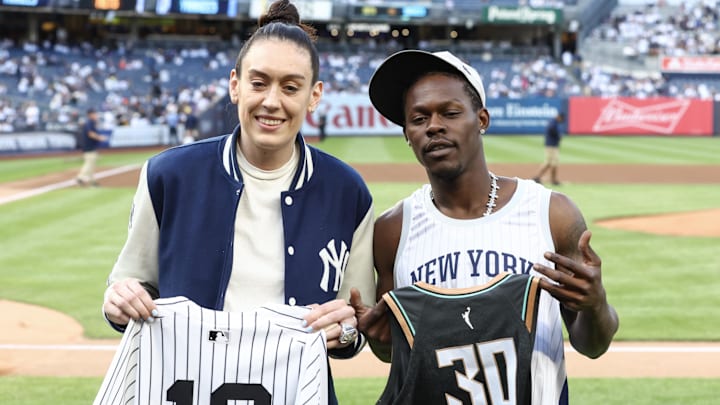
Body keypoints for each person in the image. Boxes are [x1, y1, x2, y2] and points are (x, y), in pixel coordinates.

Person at [101, 1, 376, 403]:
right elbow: (128, 291)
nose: (271, 101)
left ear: (314, 96)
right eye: (259, 82)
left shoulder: (347, 191)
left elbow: (355, 324)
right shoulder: (168, 175)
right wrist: (120, 301)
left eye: (290, 87)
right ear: (235, 85)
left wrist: (347, 329)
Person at [351, 50, 619, 403]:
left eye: (450, 113)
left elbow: (592, 344)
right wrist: (382, 342)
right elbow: (390, 351)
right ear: (407, 133)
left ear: (482, 119)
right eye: (418, 118)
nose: (433, 126)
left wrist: (595, 304)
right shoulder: (391, 231)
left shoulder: (551, 213)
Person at [75, 108, 108, 187]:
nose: (96, 115)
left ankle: (92, 181)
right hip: (89, 147)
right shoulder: (90, 122)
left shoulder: (90, 122)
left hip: (89, 147)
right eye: (94, 114)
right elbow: (90, 134)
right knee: (89, 163)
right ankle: (80, 177)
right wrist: (100, 138)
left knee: (91, 164)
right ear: (90, 115)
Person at [533, 111, 565, 186]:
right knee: (552, 163)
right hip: (551, 145)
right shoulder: (553, 122)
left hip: (552, 145)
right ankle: (551, 180)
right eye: (561, 119)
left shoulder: (554, 122)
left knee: (550, 163)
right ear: (559, 117)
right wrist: (558, 136)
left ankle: (539, 177)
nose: (561, 120)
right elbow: (551, 130)